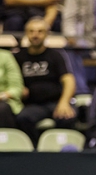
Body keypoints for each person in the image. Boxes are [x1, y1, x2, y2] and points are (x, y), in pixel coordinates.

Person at [14, 17, 76, 146]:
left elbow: (68, 80)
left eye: (40, 31)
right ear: (26, 34)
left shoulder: (55, 55)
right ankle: (35, 152)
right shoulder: (18, 57)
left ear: (47, 34)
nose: (35, 35)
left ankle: (58, 151)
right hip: (32, 105)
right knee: (23, 118)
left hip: (55, 102)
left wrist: (64, 102)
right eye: (31, 31)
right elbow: (12, 80)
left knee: (67, 117)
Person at [0, 47, 24, 128]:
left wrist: (2, 96)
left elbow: (17, 88)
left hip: (4, 101)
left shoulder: (6, 56)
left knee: (2, 109)